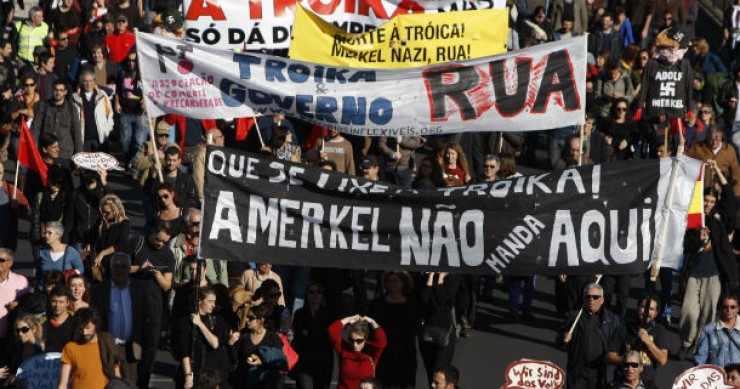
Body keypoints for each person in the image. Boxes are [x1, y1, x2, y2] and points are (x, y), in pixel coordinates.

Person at [679, 160, 739, 360]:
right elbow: (685, 245)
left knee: (708, 313)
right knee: (689, 312)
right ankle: (686, 343)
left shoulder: (718, 219)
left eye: (712, 202)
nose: (708, 205)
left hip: (714, 274)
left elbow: (730, 200)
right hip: (693, 273)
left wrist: (718, 173)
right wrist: (699, 239)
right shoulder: (692, 220)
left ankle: (698, 346)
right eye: (705, 201)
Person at [90, 252, 160, 388]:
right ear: (110, 269)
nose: (120, 270)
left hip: (131, 350)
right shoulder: (99, 290)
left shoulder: (141, 289)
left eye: (123, 266)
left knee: (131, 385)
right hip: (107, 348)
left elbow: (150, 318)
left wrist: (150, 346)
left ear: (129, 269)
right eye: (116, 266)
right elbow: (95, 319)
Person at [560, 283, 621, 389]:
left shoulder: (612, 319)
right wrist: (564, 338)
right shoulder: (574, 317)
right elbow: (560, 340)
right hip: (578, 373)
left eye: (595, 297)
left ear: (602, 300)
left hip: (601, 373)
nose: (591, 300)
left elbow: (618, 344)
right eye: (588, 297)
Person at [171, 286, 230, 389]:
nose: (213, 305)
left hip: (210, 373)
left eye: (214, 301)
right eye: (210, 301)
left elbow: (215, 344)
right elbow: (185, 353)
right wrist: (188, 377)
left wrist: (200, 324)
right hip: (192, 369)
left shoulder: (215, 319)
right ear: (199, 301)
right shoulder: (185, 322)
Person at [369, 270, 419, 388]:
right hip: (382, 353)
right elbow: (370, 326)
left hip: (405, 354)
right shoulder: (378, 303)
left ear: (403, 284)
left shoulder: (411, 304)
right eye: (388, 281)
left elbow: (414, 327)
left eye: (395, 281)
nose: (391, 284)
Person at [607, 294, 668, 382]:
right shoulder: (624, 328)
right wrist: (624, 359)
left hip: (646, 382)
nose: (646, 312)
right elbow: (609, 356)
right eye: (643, 307)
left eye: (651, 309)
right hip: (623, 380)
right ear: (638, 308)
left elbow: (662, 359)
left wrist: (648, 342)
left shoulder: (660, 331)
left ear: (656, 313)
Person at [58, 307, 120, 389]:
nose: (84, 332)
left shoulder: (107, 343)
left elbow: (117, 376)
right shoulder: (70, 347)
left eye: (88, 327)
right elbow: (63, 384)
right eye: (80, 329)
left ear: (95, 325)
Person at [418, 272, 462, 385]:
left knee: (440, 370)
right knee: (429, 370)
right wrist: (431, 277)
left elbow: (442, 300)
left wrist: (441, 278)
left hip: (446, 332)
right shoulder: (425, 276)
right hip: (427, 331)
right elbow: (424, 298)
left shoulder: (453, 277)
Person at [229, 304, 288, 389]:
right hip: (246, 381)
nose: (246, 320)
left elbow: (278, 360)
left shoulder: (272, 337)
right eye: (247, 316)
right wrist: (231, 343)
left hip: (267, 381)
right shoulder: (244, 334)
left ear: (261, 320)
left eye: (251, 318)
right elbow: (235, 358)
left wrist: (261, 362)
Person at [291, 281, 334, 389]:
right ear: (307, 294)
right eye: (311, 292)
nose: (315, 295)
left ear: (323, 295)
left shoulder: (328, 314)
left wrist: (309, 333)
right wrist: (317, 333)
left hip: (323, 362)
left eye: (318, 292)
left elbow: (329, 337)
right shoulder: (300, 314)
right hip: (305, 361)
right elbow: (299, 337)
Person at [328, 314, 387, 389]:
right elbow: (332, 331)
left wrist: (373, 322)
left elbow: (382, 341)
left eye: (359, 341)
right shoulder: (344, 349)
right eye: (352, 340)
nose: (355, 344)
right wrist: (349, 319)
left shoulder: (371, 352)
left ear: (365, 339)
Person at [30, 80, 82, 161]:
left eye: (61, 90)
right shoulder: (43, 106)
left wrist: (79, 157)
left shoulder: (71, 109)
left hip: (65, 154)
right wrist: (33, 150)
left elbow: (77, 133)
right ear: (52, 90)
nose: (58, 93)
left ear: (65, 92)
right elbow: (35, 128)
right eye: (56, 90)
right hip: (45, 153)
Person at [115, 50, 145, 166]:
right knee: (124, 141)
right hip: (125, 112)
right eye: (129, 61)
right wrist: (116, 103)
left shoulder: (143, 74)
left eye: (133, 61)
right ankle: (129, 160)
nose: (131, 63)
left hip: (140, 113)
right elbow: (117, 90)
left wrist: (147, 101)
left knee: (139, 142)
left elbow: (153, 91)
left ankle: (134, 165)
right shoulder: (121, 73)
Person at [71, 69, 113, 151]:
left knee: (101, 162)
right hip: (83, 138)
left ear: (94, 82)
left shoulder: (102, 95)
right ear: (81, 82)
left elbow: (109, 114)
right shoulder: (75, 97)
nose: (88, 84)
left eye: (90, 81)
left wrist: (107, 130)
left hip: (100, 138)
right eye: (85, 81)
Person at [90, 194, 130, 281]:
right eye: (102, 211)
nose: (104, 214)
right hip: (99, 263)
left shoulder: (124, 224)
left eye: (107, 212)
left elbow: (121, 244)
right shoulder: (101, 221)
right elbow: (92, 237)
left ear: (116, 210)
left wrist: (102, 253)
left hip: (115, 264)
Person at [0, 248, 32, 357]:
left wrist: (18, 304)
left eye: (2, 260)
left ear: (10, 263)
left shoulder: (21, 281)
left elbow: (29, 304)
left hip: (11, 335)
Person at [694, 293, 740, 366]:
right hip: (716, 375)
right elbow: (701, 356)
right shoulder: (709, 329)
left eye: (733, 307)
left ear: (738, 308)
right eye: (725, 307)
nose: (729, 310)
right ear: (721, 308)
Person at [0, 161, 30, 251]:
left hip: (6, 241)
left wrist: (17, 206)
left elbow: (26, 209)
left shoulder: (11, 190)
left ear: (3, 173)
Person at [9, 313, 44, 381]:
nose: (20, 333)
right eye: (18, 330)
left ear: (34, 329)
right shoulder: (17, 349)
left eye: (24, 329)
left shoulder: (43, 350)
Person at [43, 285, 75, 352]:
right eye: (54, 301)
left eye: (61, 302)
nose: (57, 305)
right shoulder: (42, 322)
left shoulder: (75, 324)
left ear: (68, 303)